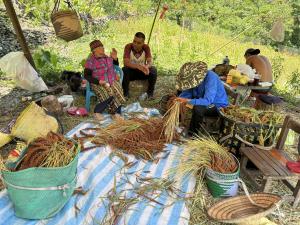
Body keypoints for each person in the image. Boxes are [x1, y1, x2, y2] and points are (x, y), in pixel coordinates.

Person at [175, 61, 229, 135]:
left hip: (217, 105)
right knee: (177, 98)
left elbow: (208, 101)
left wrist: (187, 100)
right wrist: (180, 99)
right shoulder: (194, 78)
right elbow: (189, 91)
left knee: (198, 108)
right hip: (203, 100)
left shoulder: (211, 77)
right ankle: (177, 125)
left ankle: (192, 135)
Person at [84, 40, 125, 120]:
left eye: (102, 47)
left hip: (111, 80)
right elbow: (87, 75)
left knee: (118, 90)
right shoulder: (91, 60)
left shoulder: (107, 57)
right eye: (99, 48)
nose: (102, 49)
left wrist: (115, 58)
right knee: (107, 93)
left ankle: (116, 113)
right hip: (98, 82)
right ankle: (97, 112)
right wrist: (98, 81)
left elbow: (115, 66)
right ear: (94, 51)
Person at [122, 32, 157, 98]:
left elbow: (150, 61)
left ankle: (150, 93)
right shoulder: (128, 46)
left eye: (139, 43)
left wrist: (147, 67)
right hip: (132, 72)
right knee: (124, 70)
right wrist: (138, 66)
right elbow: (126, 62)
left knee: (153, 70)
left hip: (142, 72)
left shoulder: (146, 47)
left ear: (143, 43)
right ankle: (126, 93)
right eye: (134, 41)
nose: (135, 44)